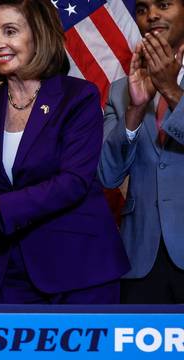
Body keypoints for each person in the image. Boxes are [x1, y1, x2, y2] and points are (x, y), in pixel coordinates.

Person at [0, 0, 129, 304]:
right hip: (12, 272)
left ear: (38, 35)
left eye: (10, 31)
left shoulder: (78, 97)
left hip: (80, 271)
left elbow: (72, 182)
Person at [98, 0, 184, 304]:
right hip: (140, 259)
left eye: (163, 5)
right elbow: (107, 174)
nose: (152, 16)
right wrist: (135, 110)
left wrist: (172, 91)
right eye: (142, 9)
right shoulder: (121, 89)